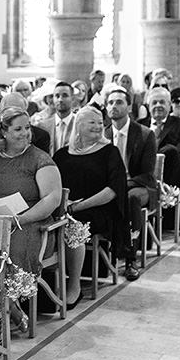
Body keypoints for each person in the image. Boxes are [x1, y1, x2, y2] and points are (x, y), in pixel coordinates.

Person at [0, 106, 62, 332]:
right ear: (3, 132)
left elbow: (52, 199)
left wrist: (20, 219)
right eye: (18, 129)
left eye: (27, 128)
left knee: (8, 251)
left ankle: (4, 309)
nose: (25, 133)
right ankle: (9, 307)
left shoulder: (40, 159)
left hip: (30, 225)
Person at [54, 106, 126, 306]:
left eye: (101, 123)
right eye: (92, 122)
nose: (98, 126)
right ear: (78, 125)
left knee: (73, 224)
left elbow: (112, 191)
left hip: (98, 209)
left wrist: (78, 207)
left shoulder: (110, 152)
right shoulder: (61, 154)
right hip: (65, 208)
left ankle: (74, 286)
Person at [105, 87, 156, 280]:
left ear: (129, 107)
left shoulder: (144, 134)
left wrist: (122, 184)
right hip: (112, 187)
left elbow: (147, 173)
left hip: (139, 186)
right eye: (110, 103)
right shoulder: (104, 134)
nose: (113, 106)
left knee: (129, 198)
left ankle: (130, 258)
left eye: (118, 102)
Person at [0, 92, 51, 157]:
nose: (15, 115)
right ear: (1, 111)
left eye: (19, 111)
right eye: (10, 111)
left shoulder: (41, 137)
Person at [144, 86, 180, 193]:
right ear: (148, 106)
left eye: (162, 102)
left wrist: (161, 156)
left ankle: (166, 197)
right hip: (145, 172)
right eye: (154, 102)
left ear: (169, 105)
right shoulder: (139, 125)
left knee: (171, 150)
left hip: (173, 173)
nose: (158, 105)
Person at [36, 81, 77, 153]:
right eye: (57, 96)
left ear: (72, 98)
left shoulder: (79, 123)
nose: (60, 100)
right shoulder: (42, 126)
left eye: (65, 95)